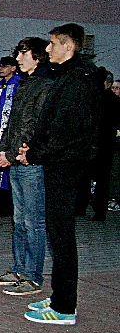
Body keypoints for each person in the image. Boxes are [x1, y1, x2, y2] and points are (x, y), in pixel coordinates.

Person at [21, 23, 99, 325]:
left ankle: (65, 307)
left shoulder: (79, 79)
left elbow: (66, 130)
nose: (48, 49)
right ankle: (58, 296)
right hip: (58, 161)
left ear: (70, 46)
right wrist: (35, 147)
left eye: (53, 43)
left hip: (66, 165)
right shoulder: (67, 76)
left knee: (62, 237)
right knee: (57, 234)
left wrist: (36, 152)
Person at [0, 37, 53, 296]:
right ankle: (19, 268)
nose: (18, 58)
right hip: (16, 160)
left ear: (37, 57)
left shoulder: (45, 86)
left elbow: (34, 127)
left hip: (30, 163)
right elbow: (12, 123)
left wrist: (13, 155)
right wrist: (2, 149)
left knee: (33, 221)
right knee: (19, 220)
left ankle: (33, 276)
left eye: (23, 53)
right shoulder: (25, 84)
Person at [74, 66, 120, 221]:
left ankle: (81, 206)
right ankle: (99, 211)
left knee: (85, 177)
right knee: (101, 179)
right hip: (105, 145)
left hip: (91, 143)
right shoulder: (113, 101)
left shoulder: (92, 99)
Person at [0, 56, 22, 217]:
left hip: (9, 134)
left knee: (7, 170)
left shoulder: (18, 85)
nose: (1, 69)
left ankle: (7, 204)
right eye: (0, 66)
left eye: (5, 66)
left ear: (13, 68)